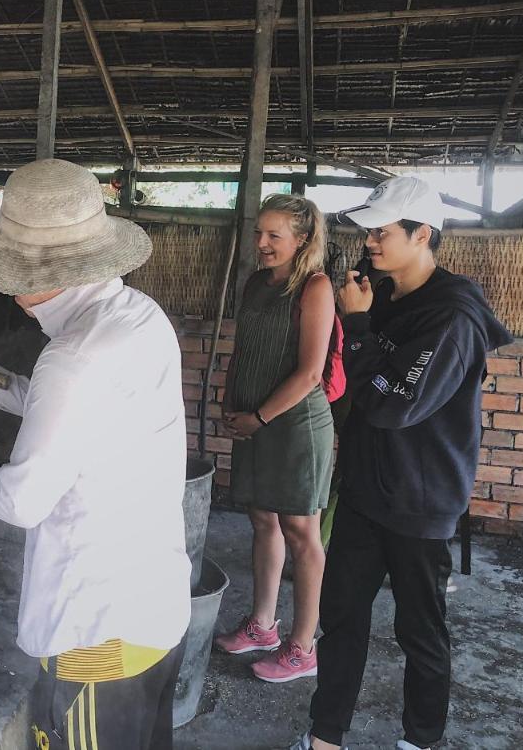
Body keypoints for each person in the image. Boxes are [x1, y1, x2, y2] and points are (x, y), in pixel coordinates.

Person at [0, 159, 191, 750]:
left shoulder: (72, 357)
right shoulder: (137, 317)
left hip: (95, 640)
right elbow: (74, 413)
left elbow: (22, 501)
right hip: (155, 614)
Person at [288, 176, 512, 750]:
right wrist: (362, 322)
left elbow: (391, 403)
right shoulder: (382, 294)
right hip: (366, 487)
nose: (370, 242)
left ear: (423, 235)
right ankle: (325, 737)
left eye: (383, 232)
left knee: (420, 631)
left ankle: (420, 741)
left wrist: (359, 327)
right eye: (369, 232)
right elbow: (356, 387)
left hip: (421, 498)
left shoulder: (454, 316)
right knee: (340, 617)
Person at [215, 194, 336, 684]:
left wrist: (259, 417)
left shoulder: (316, 286)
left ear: (302, 238)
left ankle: (303, 647)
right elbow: (244, 348)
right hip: (254, 420)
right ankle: (263, 626)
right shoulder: (256, 283)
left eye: (274, 236)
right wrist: (230, 399)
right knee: (263, 520)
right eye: (258, 234)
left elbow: (310, 372)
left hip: (294, 425)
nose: (261, 244)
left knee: (302, 534)